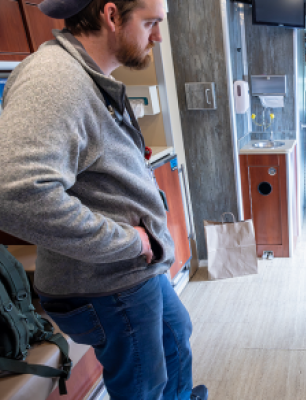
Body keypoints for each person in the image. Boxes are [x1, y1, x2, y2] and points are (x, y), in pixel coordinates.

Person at [0, 0, 207, 399]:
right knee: (143, 387)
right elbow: (15, 193)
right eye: (150, 23)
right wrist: (129, 242)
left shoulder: (88, 78)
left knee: (176, 335)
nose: (158, 36)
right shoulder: (54, 81)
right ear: (111, 15)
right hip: (109, 284)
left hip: (132, 274)